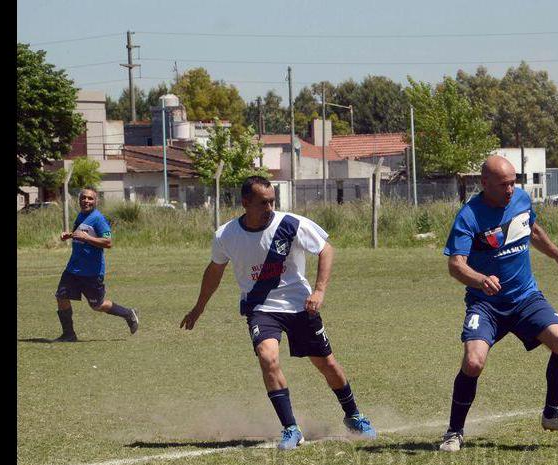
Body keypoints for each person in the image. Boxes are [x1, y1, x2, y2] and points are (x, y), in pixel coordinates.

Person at [179, 176, 376, 451]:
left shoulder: (291, 224)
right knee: (267, 357)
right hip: (261, 308)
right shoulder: (226, 235)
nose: (270, 207)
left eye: (272, 201)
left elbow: (325, 249)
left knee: (326, 365)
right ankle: (291, 428)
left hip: (299, 306)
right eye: (263, 202)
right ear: (245, 202)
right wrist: (199, 307)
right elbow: (214, 271)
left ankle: (354, 415)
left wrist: (318, 291)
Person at [438, 155, 558, 453]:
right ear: (485, 183)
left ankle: (552, 414)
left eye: (513, 182)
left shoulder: (519, 199)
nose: (510, 189)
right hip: (487, 305)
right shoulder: (469, 216)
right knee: (473, 362)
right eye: (504, 184)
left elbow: (533, 231)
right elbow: (456, 265)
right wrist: (480, 280)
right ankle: (454, 432)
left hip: (525, 298)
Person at [53, 187, 139, 342]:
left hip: (91, 272)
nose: (86, 201)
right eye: (83, 198)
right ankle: (69, 334)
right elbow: (79, 233)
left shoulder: (98, 219)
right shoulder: (80, 215)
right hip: (73, 268)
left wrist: (86, 238)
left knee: (97, 305)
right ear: (79, 199)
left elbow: (108, 242)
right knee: (61, 296)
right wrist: (69, 235)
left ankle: (128, 313)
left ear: (96, 201)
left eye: (90, 198)